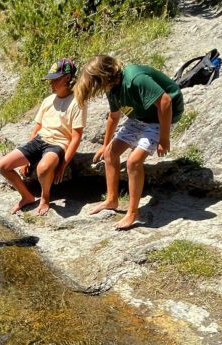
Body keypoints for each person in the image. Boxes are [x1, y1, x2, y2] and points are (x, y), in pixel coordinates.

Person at [75, 55, 184, 231]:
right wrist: (105, 145)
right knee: (110, 153)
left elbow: (165, 101)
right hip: (140, 116)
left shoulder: (135, 78)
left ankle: (133, 212)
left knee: (134, 162)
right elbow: (114, 116)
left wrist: (164, 138)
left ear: (104, 76)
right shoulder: (112, 87)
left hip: (161, 116)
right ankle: (112, 199)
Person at [0, 58, 86, 216]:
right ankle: (27, 196)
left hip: (58, 144)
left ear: (66, 78)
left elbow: (76, 137)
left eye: (54, 79)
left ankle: (45, 199)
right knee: (2, 165)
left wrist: (63, 164)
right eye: (50, 79)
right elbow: (37, 129)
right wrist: (26, 156)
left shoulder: (77, 103)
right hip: (39, 140)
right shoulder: (48, 101)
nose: (50, 83)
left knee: (43, 169)